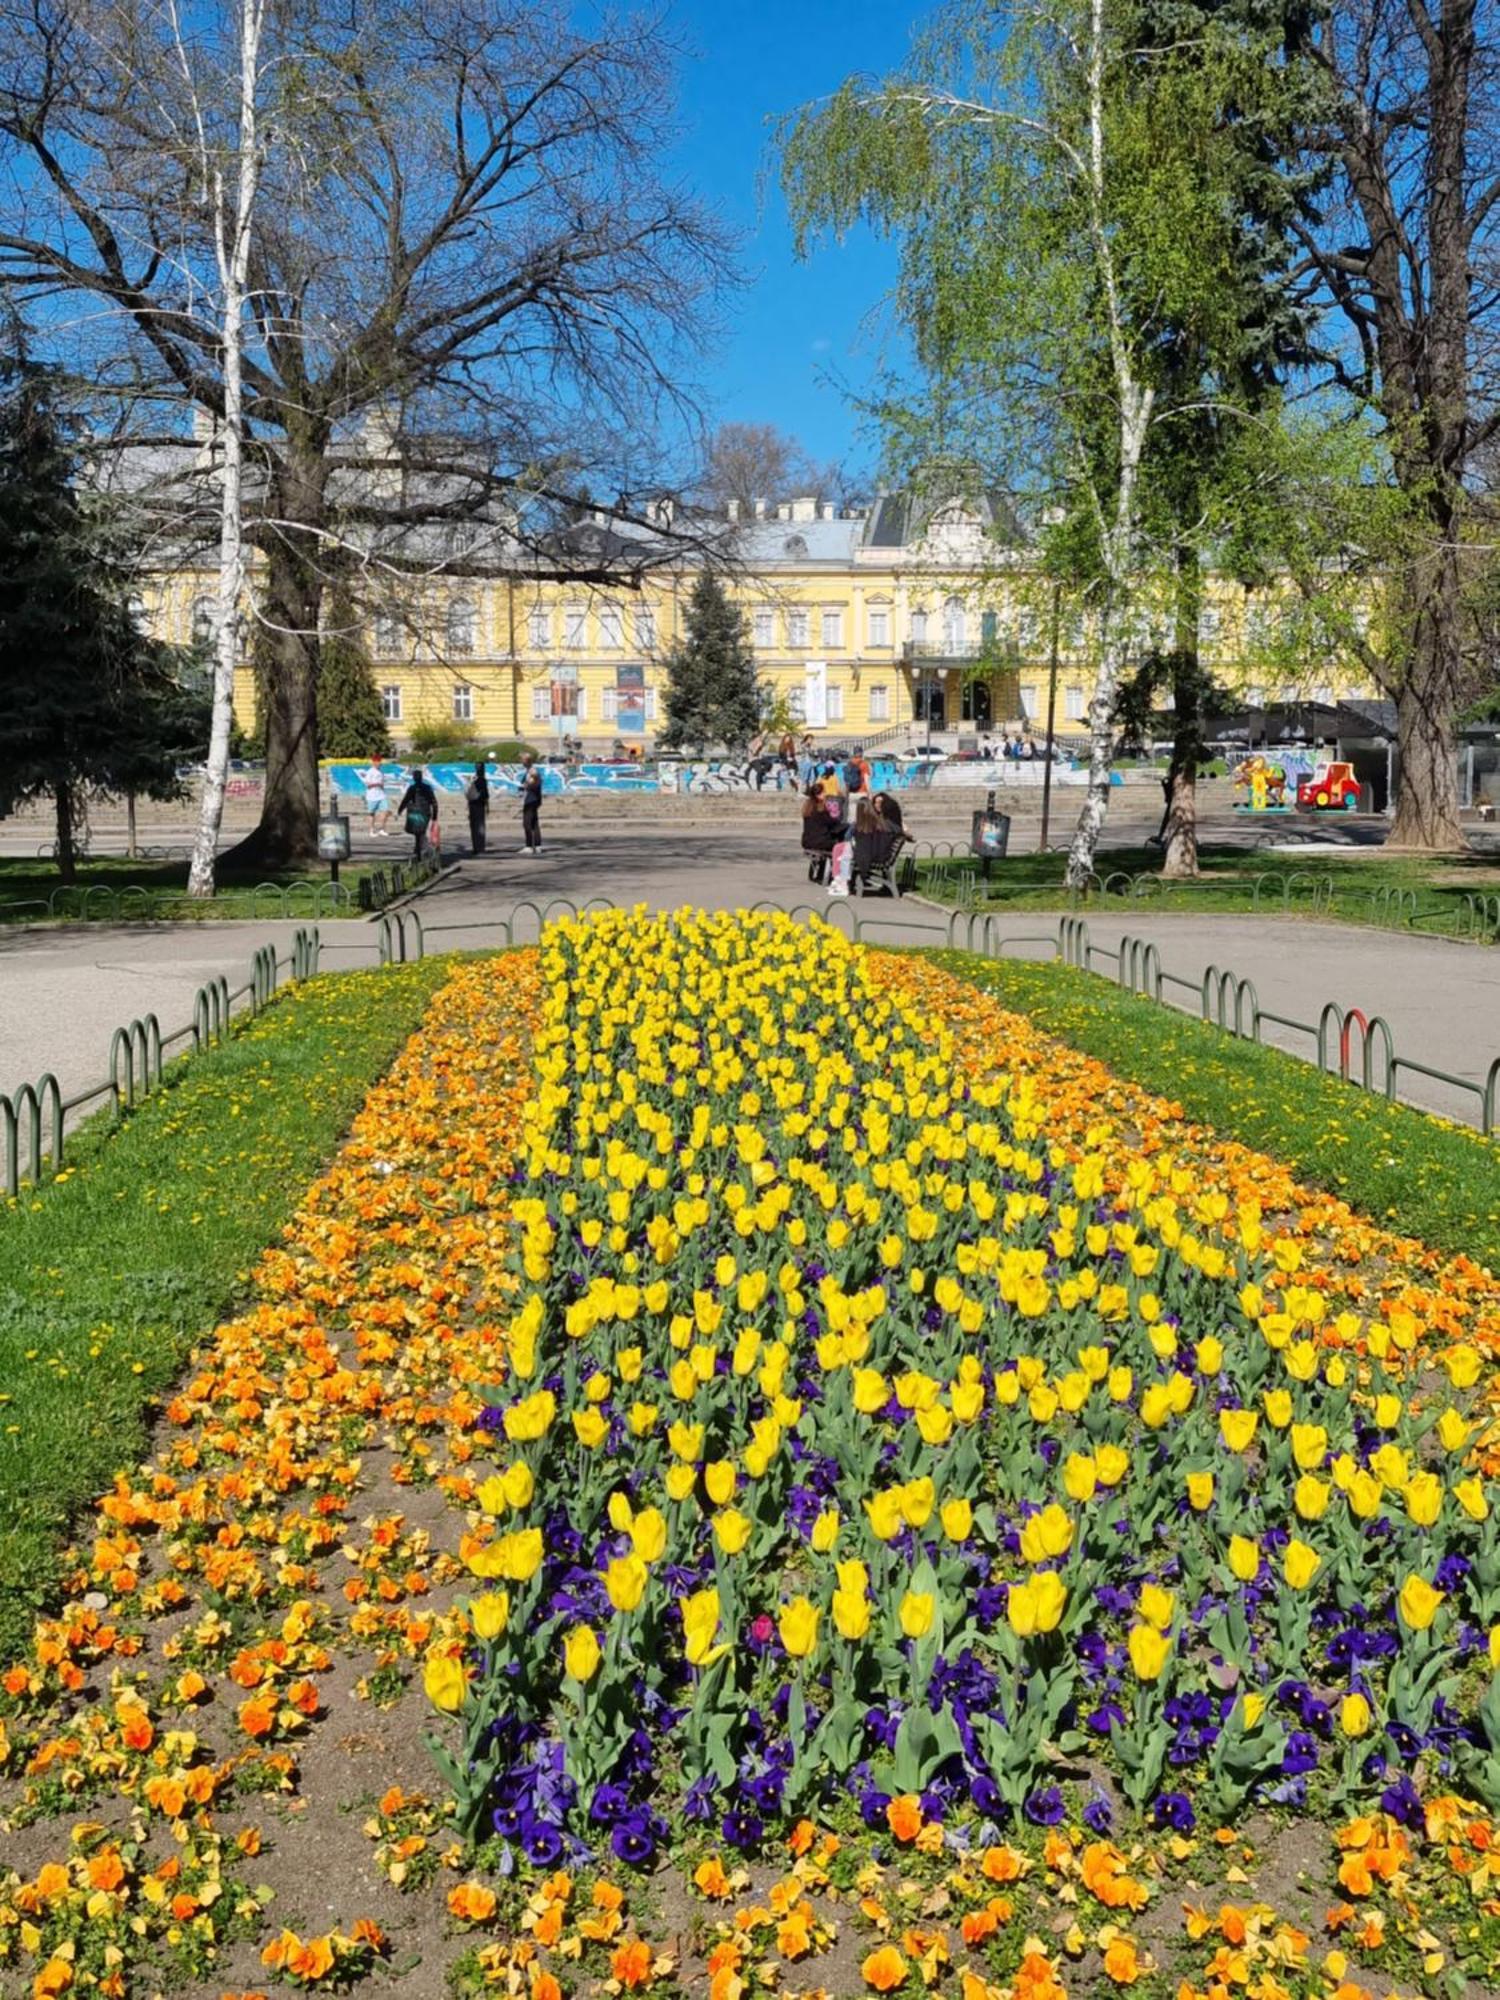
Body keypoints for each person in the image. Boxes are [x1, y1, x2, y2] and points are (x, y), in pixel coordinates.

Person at [396, 765, 438, 859]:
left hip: (416, 812)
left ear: (414, 778)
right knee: (420, 831)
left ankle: (421, 849)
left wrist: (400, 810)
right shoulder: (427, 788)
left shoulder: (412, 788)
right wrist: (435, 815)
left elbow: (405, 800)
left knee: (418, 832)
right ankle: (419, 849)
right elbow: (434, 802)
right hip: (425, 812)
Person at [359, 757, 392, 836]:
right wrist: (377, 784)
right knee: (371, 813)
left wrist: (382, 787)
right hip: (372, 796)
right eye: (378, 762)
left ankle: (382, 829)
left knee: (386, 810)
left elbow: (382, 783)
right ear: (374, 762)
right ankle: (371, 830)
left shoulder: (380, 772)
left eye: (380, 762)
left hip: (381, 795)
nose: (380, 763)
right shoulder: (370, 772)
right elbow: (368, 784)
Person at [519, 751, 544, 854]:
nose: (521, 762)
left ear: (526, 761)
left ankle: (529, 845)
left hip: (531, 799)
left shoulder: (532, 771)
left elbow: (535, 779)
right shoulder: (529, 770)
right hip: (533, 799)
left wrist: (527, 785)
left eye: (522, 760)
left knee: (527, 823)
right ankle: (537, 845)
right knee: (534, 822)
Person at [465, 758, 490, 854]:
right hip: (479, 804)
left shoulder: (475, 779)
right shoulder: (482, 780)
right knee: (479, 826)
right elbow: (486, 795)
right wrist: (487, 806)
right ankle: (479, 847)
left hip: (474, 804)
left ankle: (477, 847)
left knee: (476, 826)